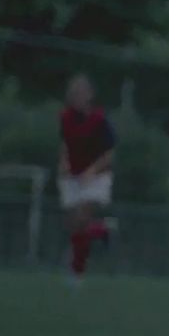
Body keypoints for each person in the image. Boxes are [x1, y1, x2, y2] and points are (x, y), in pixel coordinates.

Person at [58, 74, 116, 285]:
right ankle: (101, 230)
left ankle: (76, 273)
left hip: (96, 177)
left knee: (82, 216)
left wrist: (92, 171)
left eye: (81, 92)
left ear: (89, 95)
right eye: (74, 92)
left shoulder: (99, 120)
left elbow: (110, 153)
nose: (77, 96)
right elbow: (65, 143)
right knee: (75, 226)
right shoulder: (65, 118)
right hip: (73, 177)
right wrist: (63, 163)